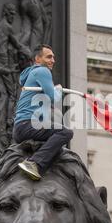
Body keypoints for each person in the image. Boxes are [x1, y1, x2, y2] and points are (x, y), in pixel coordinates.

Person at [13, 45, 74, 181]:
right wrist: (57, 89)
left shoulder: (31, 73)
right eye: (48, 57)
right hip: (28, 125)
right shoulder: (42, 71)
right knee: (65, 133)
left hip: (21, 127)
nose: (52, 60)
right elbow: (54, 98)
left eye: (53, 57)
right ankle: (33, 163)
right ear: (37, 59)